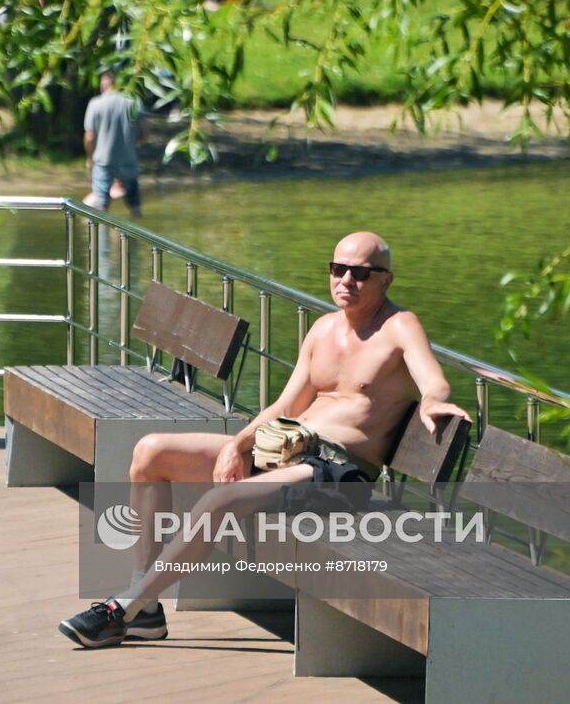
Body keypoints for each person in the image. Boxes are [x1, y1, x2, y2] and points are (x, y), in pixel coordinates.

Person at [58, 231, 472, 648]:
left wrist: (435, 402)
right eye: (338, 269)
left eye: (361, 272)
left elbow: (434, 381)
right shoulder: (323, 328)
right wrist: (234, 446)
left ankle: (123, 607)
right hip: (285, 449)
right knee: (150, 452)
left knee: (218, 501)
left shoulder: (400, 326)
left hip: (336, 474)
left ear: (386, 280)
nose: (346, 279)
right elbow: (285, 404)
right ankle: (145, 610)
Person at [82, 68, 143, 217]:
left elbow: (89, 137)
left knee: (101, 206)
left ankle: (102, 238)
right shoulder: (134, 101)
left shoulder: (95, 104)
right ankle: (137, 235)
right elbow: (146, 131)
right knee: (135, 207)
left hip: (103, 162)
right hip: (128, 160)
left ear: (104, 84)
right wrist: (129, 142)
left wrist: (89, 158)